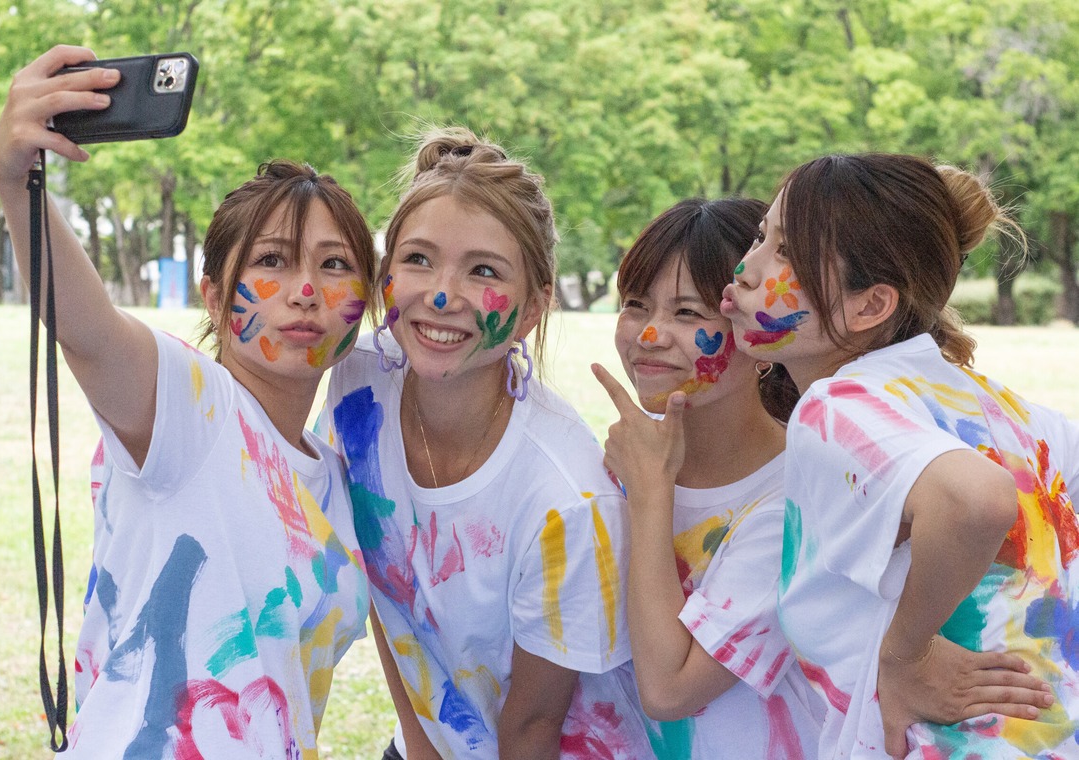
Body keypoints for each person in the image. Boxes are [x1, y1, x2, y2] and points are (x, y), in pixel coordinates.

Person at [0, 45, 376, 759]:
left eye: (335, 265)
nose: (305, 291)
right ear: (214, 296)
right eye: (272, 260)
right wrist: (17, 184)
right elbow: (89, 331)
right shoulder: (192, 409)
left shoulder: (335, 474)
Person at [317, 127, 652, 759]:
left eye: (484, 271)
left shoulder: (567, 500)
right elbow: (393, 594)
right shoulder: (358, 387)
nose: (441, 295)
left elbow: (532, 727)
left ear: (533, 308)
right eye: (418, 259)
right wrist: (420, 744)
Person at [721, 152, 1069, 759]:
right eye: (760, 236)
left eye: (787, 253)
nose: (746, 269)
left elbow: (974, 499)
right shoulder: (1000, 409)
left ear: (870, 306)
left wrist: (907, 655)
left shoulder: (836, 406)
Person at [591, 197, 823, 758]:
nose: (649, 335)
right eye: (636, 305)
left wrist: (651, 495)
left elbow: (669, 691)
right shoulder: (618, 462)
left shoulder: (798, 501)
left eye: (689, 313)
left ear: (755, 328)